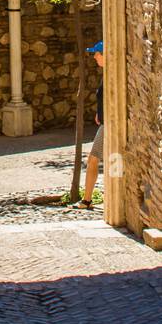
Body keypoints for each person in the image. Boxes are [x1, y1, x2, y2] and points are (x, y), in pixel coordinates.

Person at [72, 42, 104, 209]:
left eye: (97, 53)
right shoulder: (107, 75)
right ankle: (87, 199)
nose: (94, 56)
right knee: (95, 160)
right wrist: (100, 112)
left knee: (94, 159)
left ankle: (87, 200)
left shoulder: (112, 74)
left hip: (108, 126)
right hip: (105, 123)